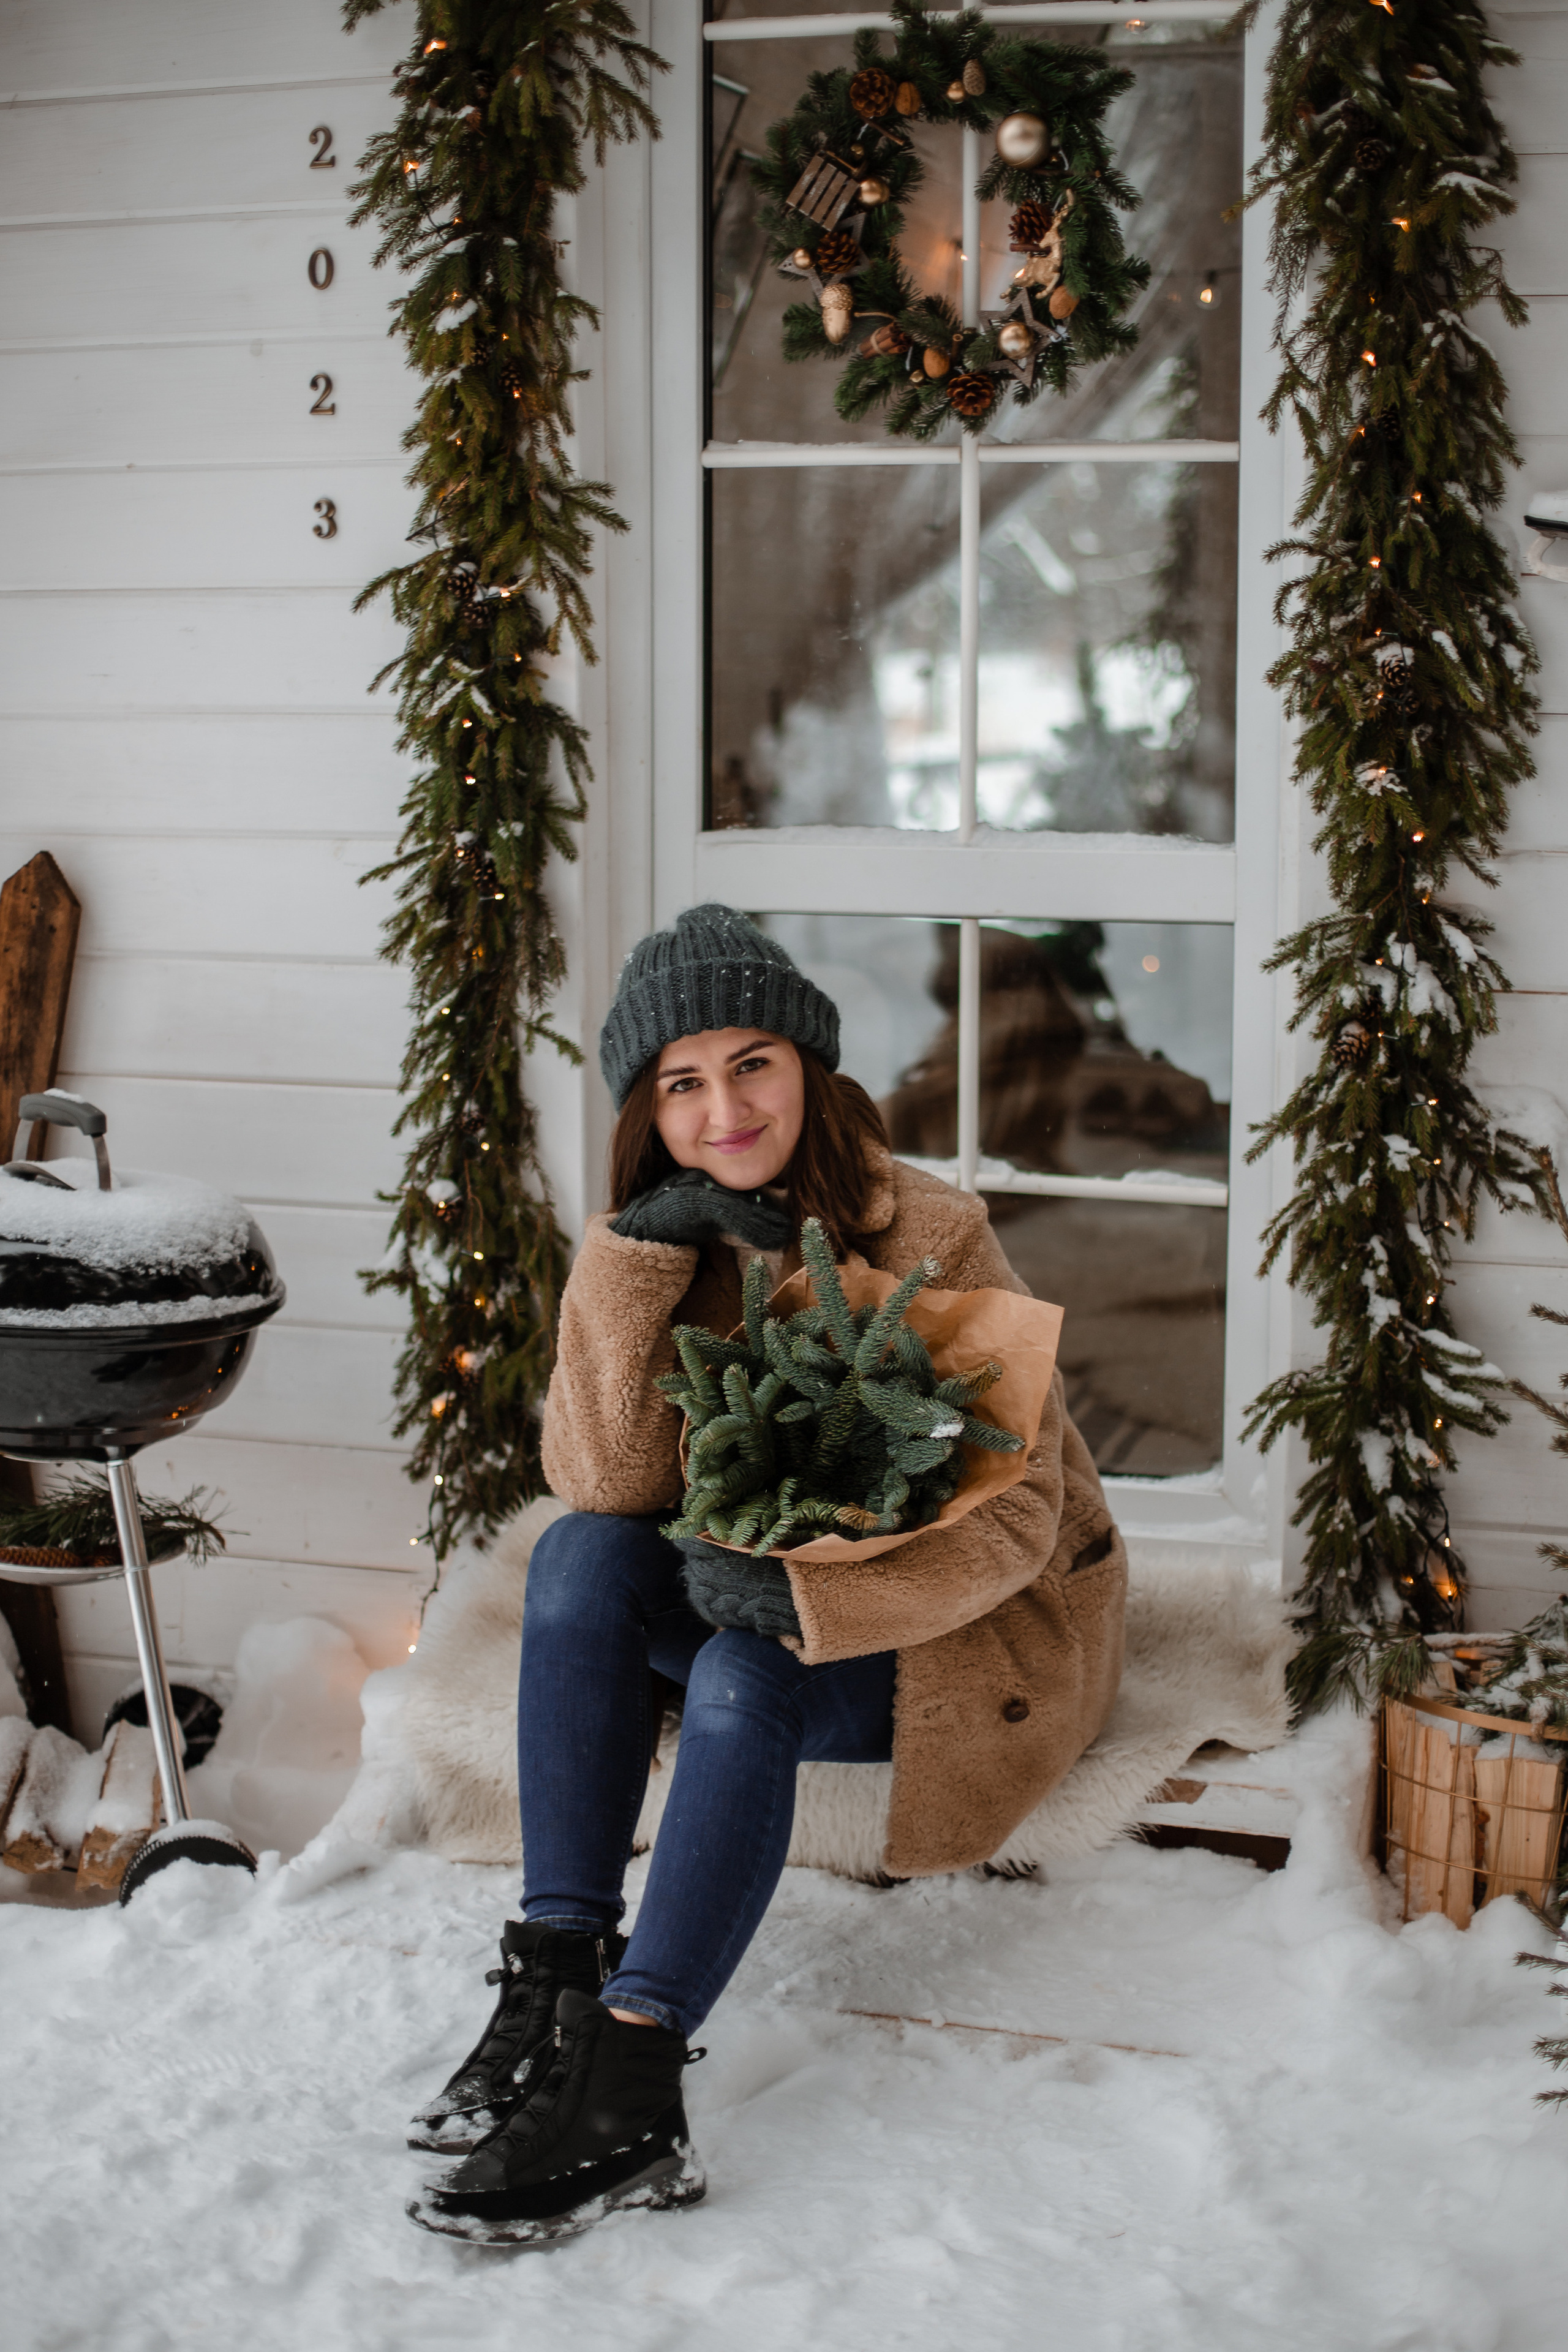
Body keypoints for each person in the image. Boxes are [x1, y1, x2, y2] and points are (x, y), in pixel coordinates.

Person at [407, 904, 1127, 2245]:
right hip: (750, 1581)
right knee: (578, 1555)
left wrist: (814, 1598)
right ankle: (557, 1976)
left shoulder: (929, 1233)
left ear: (808, 1069)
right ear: (649, 1107)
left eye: (751, 1065)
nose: (722, 1109)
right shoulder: (646, 1234)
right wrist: (634, 1267)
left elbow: (1014, 1517)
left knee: (747, 1660)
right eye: (681, 1082)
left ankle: (629, 2077)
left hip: (956, 1637)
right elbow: (607, 1483)